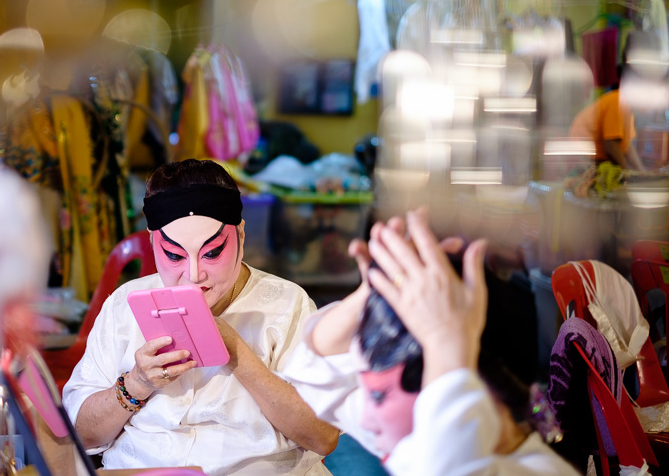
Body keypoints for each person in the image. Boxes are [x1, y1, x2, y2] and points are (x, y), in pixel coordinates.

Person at [62, 159, 338, 476]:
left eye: (212, 252)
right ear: (153, 242)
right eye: (175, 255)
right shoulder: (123, 306)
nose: (194, 274)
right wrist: (137, 384)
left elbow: (323, 437)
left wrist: (237, 355)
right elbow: (79, 436)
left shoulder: (287, 305)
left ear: (241, 237)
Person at [283, 210, 578, 476]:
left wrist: (442, 336)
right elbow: (315, 372)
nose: (366, 419)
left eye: (378, 396)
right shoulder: (417, 440)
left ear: (470, 388)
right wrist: (373, 291)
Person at [569, 71, 644, 171]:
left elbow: (627, 147)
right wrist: (627, 174)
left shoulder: (628, 110)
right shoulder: (617, 101)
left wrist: (641, 172)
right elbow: (611, 146)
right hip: (583, 160)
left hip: (596, 160)